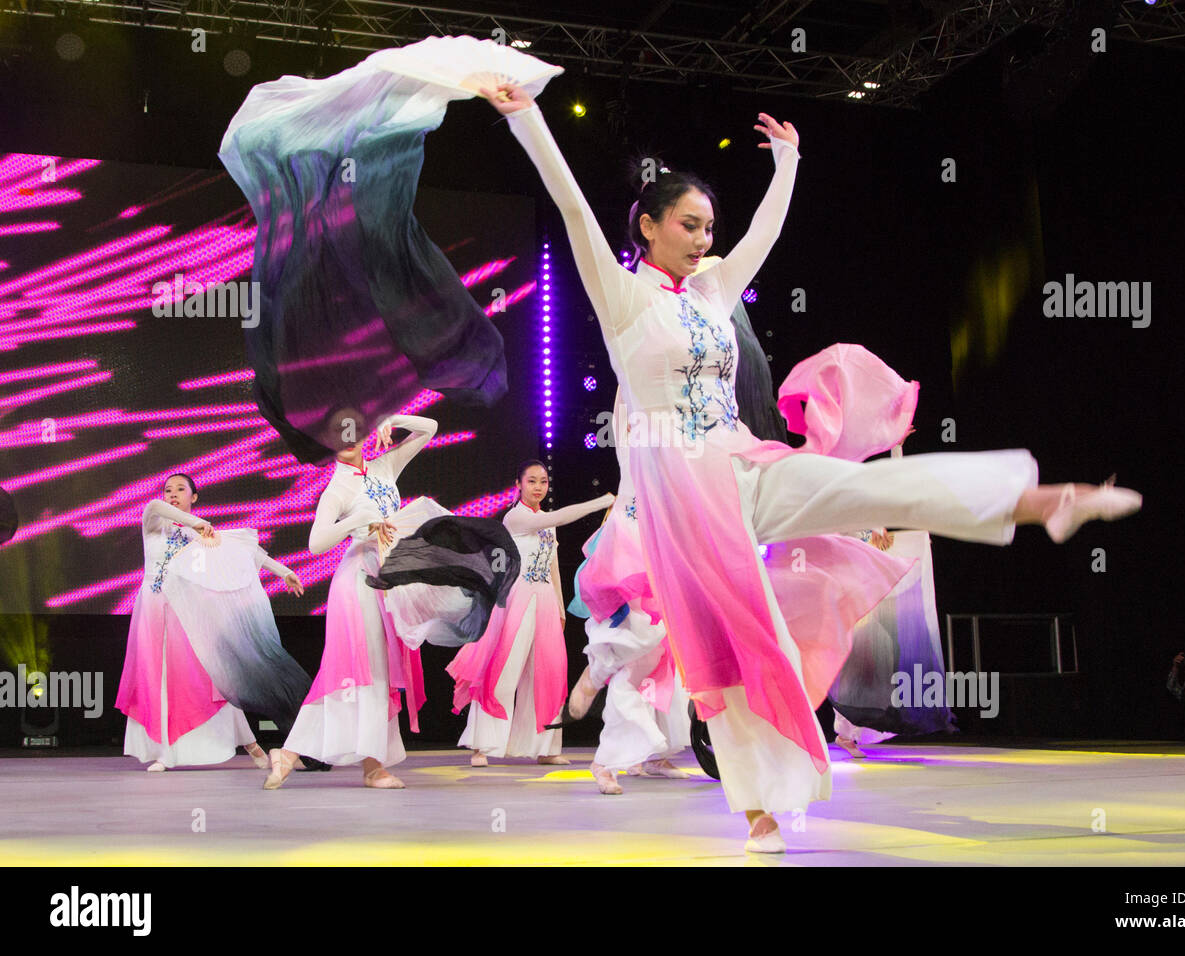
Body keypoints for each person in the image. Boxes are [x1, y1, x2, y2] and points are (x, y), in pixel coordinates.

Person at [485, 80, 1142, 852]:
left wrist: (789, 163)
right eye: (689, 226)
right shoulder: (624, 297)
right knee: (737, 635)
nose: (704, 239)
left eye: (709, 227)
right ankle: (760, 806)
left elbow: (765, 235)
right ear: (649, 225)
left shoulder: (711, 291)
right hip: (681, 486)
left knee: (859, 486)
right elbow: (569, 207)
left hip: (739, 455)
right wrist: (524, 117)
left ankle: (1033, 500)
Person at [265, 413, 483, 789]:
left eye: (355, 429)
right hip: (359, 581)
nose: (349, 438)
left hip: (389, 578)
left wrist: (389, 419)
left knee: (376, 670)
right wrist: (357, 521)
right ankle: (334, 760)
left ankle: (339, 761)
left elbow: (430, 428)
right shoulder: (338, 489)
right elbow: (315, 544)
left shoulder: (385, 465)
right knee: (356, 670)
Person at [116, 473, 308, 771]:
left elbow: (245, 553)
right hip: (154, 610)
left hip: (187, 612)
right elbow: (154, 506)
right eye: (169, 489)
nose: (173, 494)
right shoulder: (155, 524)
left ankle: (252, 745)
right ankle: (166, 751)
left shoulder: (200, 532)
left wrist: (282, 571)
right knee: (161, 677)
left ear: (194, 497)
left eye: (181, 489)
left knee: (212, 678)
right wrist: (195, 523)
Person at [564, 397, 692, 794]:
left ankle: (607, 759)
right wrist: (628, 374)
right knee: (638, 638)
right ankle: (597, 671)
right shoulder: (631, 453)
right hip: (626, 554)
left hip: (661, 557)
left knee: (648, 660)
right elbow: (623, 406)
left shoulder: (675, 466)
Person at [447, 461, 611, 766]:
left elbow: (552, 566)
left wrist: (560, 607)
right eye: (532, 481)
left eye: (543, 481)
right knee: (504, 672)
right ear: (518, 485)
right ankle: (481, 745)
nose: (538, 487)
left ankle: (545, 747)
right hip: (517, 600)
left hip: (545, 602)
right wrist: (601, 502)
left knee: (548, 673)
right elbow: (562, 516)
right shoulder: (516, 517)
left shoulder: (544, 521)